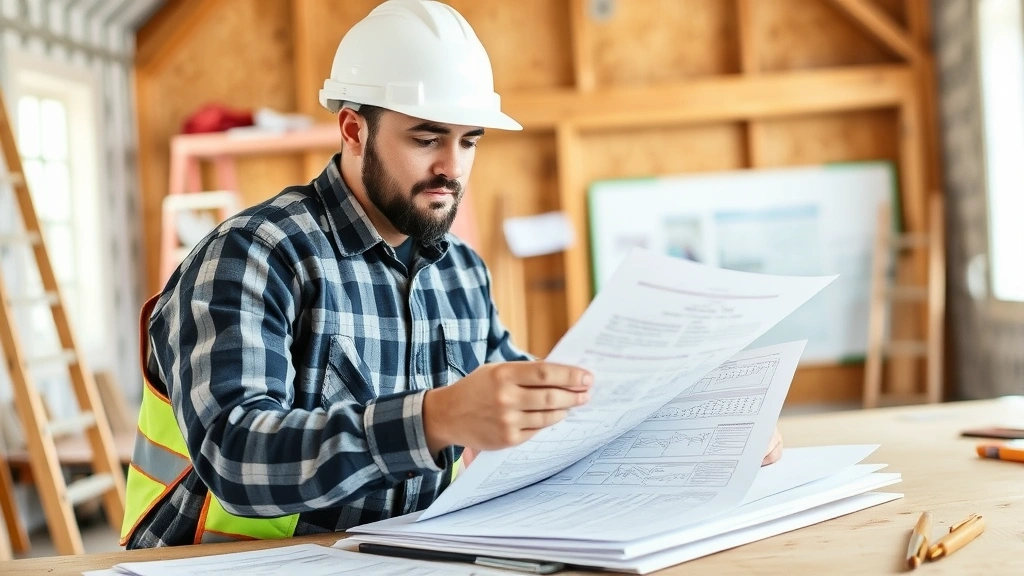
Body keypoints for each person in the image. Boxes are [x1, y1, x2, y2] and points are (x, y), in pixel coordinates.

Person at [121, 0, 782, 549]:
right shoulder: (252, 256)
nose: (452, 167)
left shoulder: (460, 272)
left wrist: (697, 434)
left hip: (392, 557)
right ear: (353, 129)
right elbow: (236, 456)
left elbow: (543, 411)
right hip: (219, 564)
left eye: (468, 141)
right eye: (426, 137)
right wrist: (434, 419)